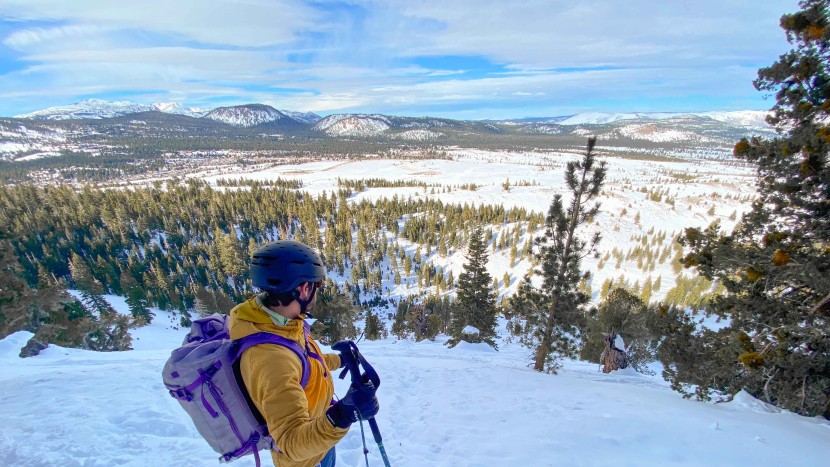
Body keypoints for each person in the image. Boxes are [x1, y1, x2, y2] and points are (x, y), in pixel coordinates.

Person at [229, 240, 380, 467]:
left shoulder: (279, 322)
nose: (316, 292)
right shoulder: (271, 359)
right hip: (307, 459)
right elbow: (292, 442)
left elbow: (304, 363)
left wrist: (340, 360)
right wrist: (343, 414)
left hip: (321, 435)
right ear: (303, 288)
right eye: (316, 285)